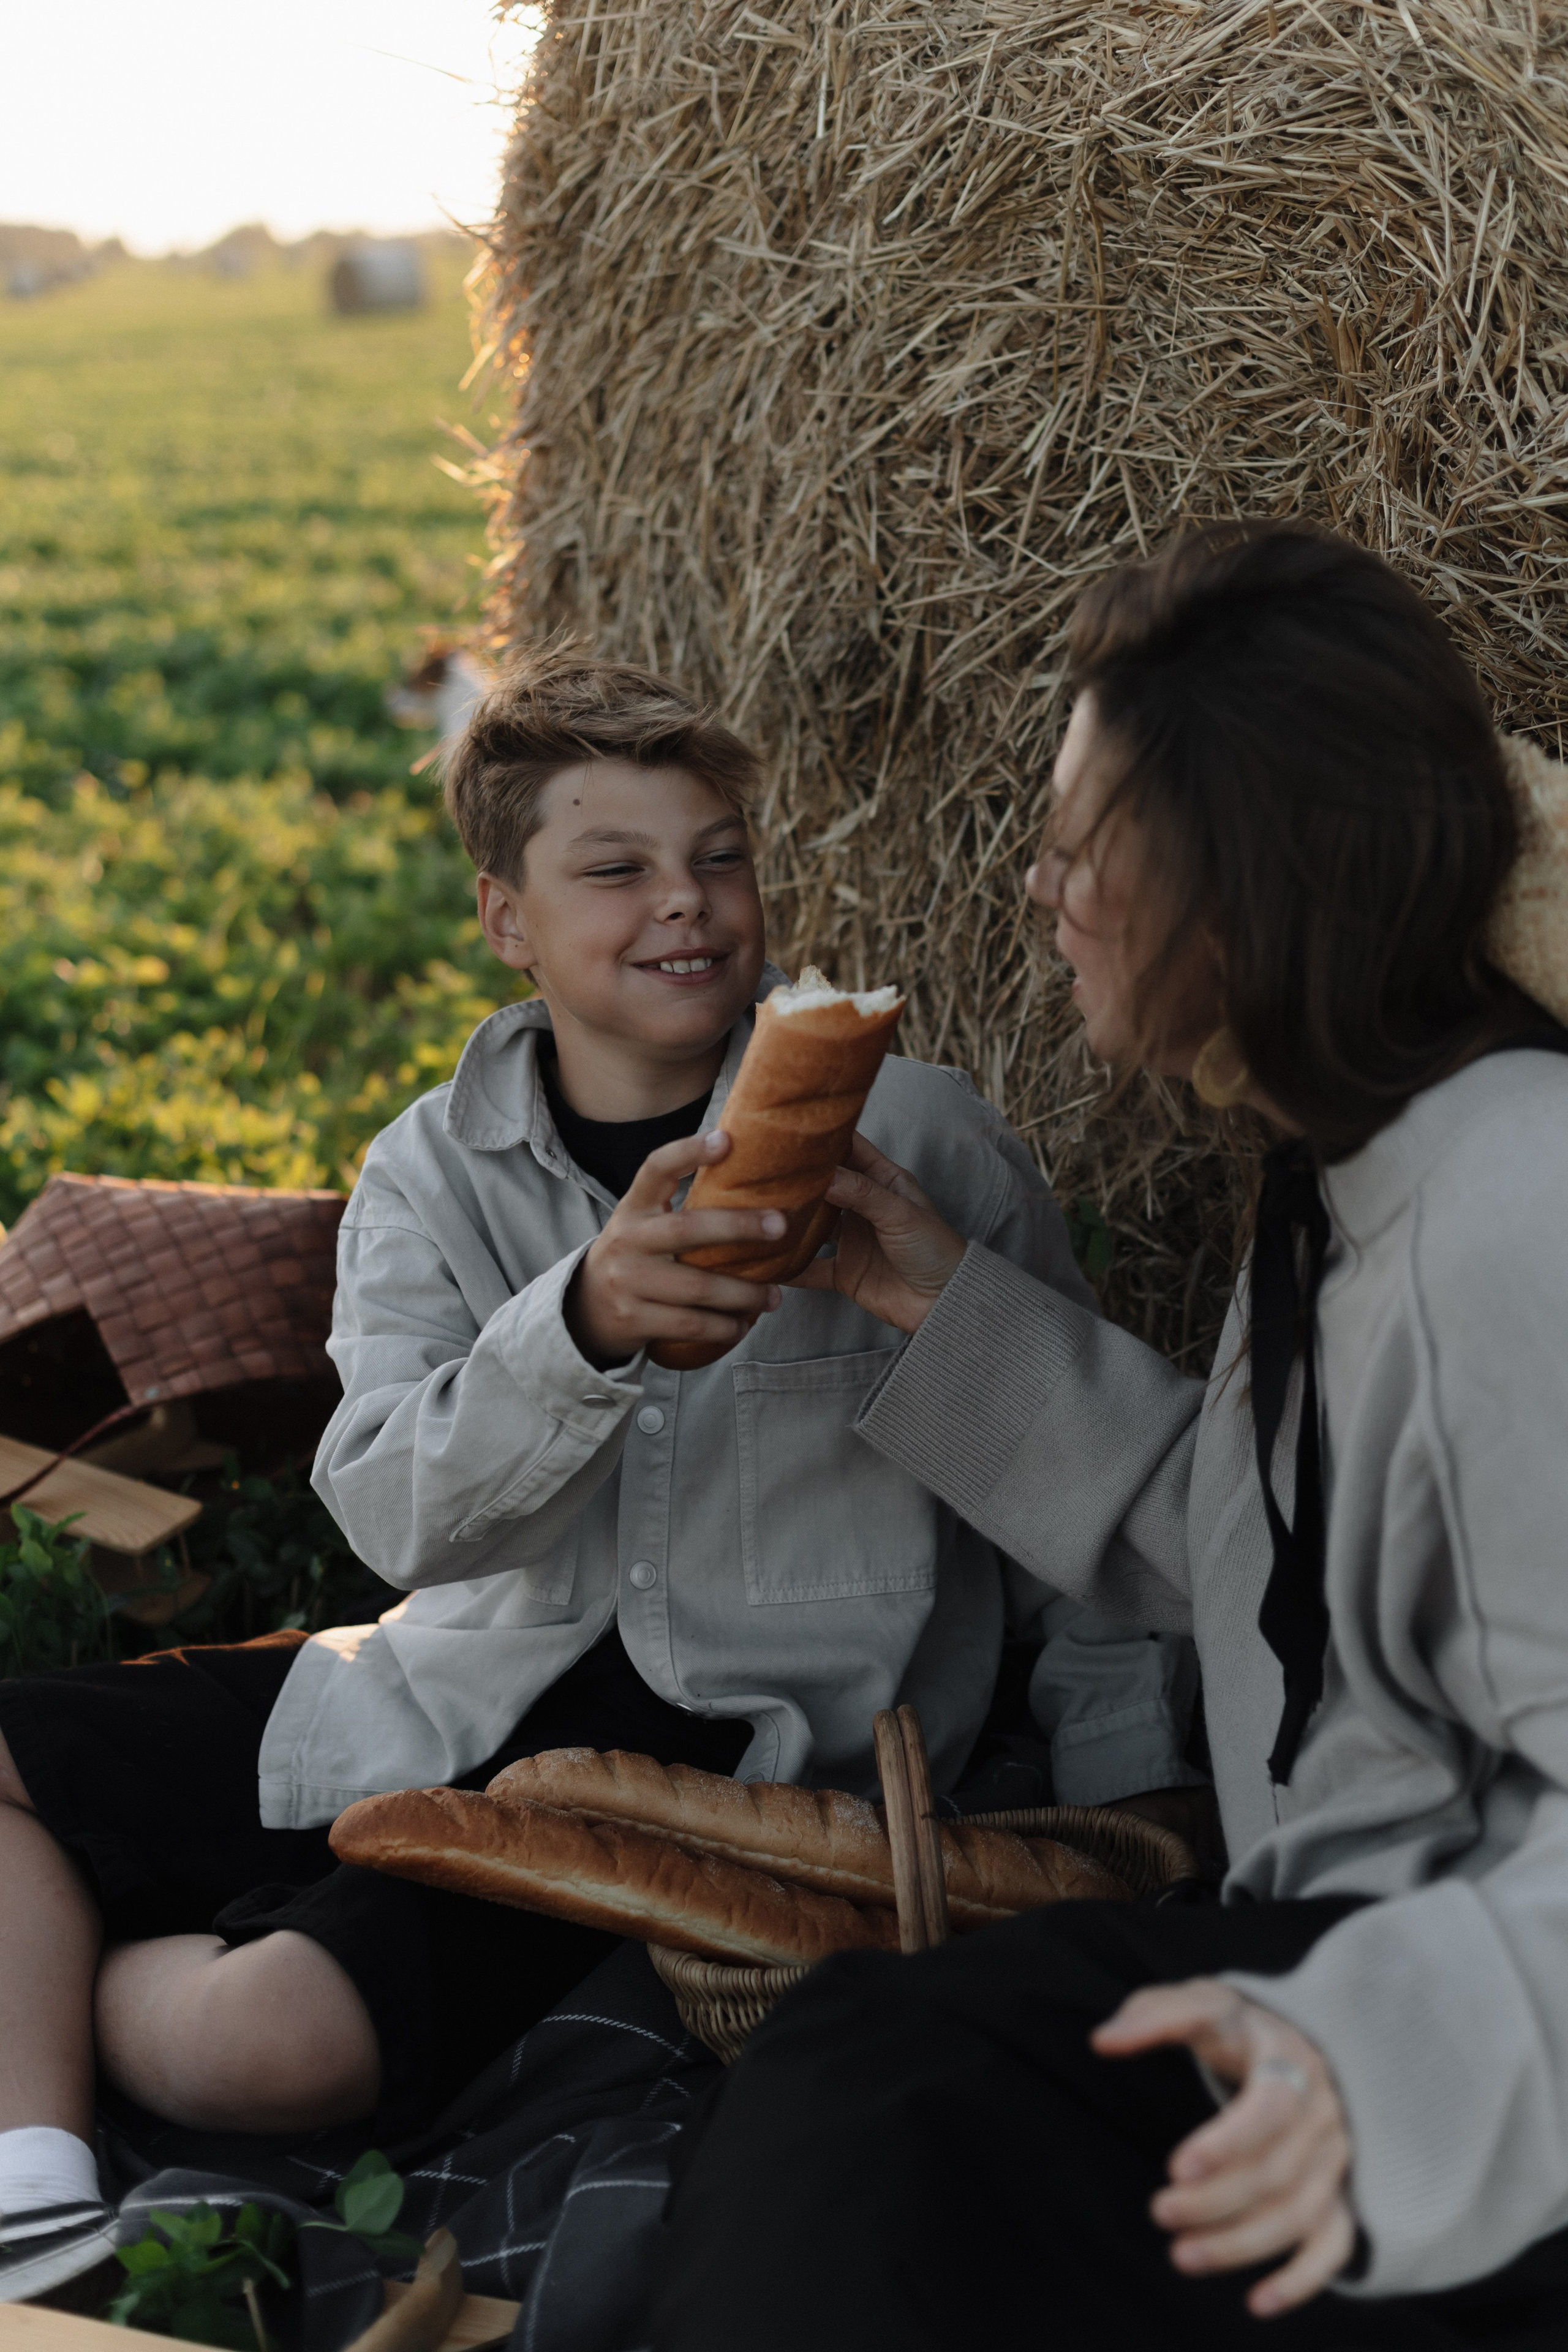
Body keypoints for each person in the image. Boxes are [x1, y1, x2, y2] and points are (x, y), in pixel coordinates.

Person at [0, 653, 1198, 2301]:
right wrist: (575, 1328)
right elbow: (389, 1513)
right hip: (451, 1682)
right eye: (615, 868)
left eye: (719, 855)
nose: (687, 905)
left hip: (703, 1753)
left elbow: (1078, 1527)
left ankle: (113, 1962)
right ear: (507, 918)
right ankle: (36, 2199)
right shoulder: (429, 1171)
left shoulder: (914, 1140)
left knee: (252, 2056)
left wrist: (1137, 1820)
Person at [651, 525, 1568, 2351]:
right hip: (1325, 1971)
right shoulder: (1350, 1164)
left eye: (1084, 845)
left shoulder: (1514, 1208)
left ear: (1251, 875)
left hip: (1454, 2075)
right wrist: (933, 1299)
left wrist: (1377, 2062)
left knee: (875, 2097)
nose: (1041, 891)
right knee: (878, 2084)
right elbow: (1269, 1566)